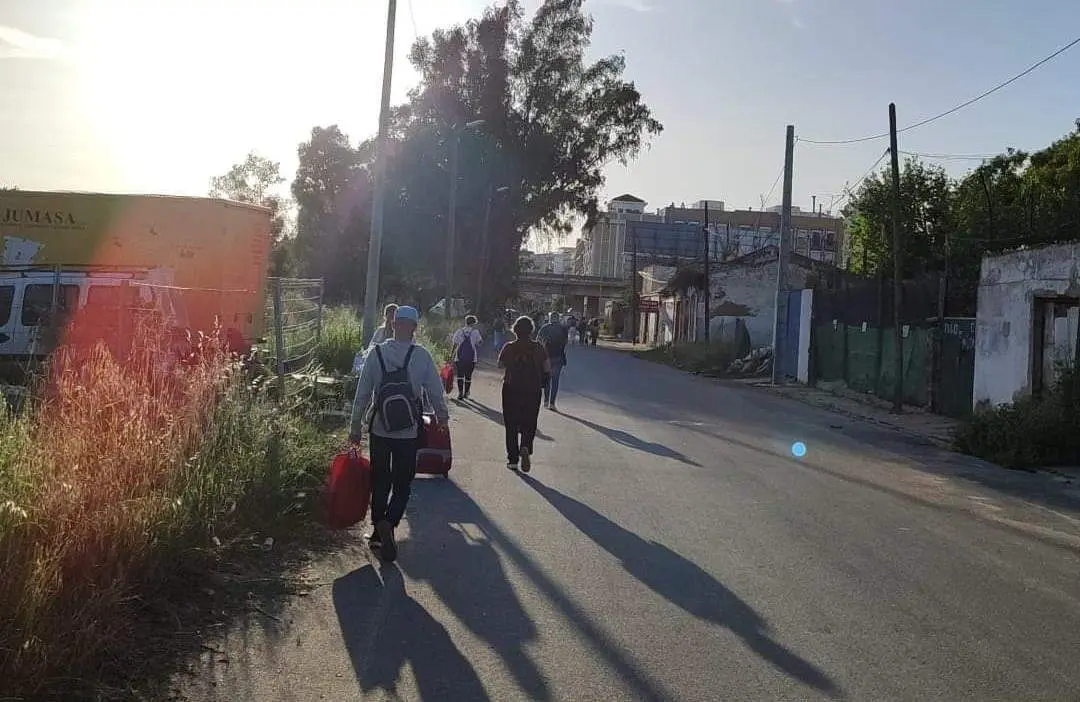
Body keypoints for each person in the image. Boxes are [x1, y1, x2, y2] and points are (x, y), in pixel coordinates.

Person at [350, 306, 448, 562]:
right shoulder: (422, 355)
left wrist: (354, 427)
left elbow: (362, 393)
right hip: (408, 431)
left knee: (380, 478)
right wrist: (442, 418)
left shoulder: (377, 353)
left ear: (393, 324)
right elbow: (436, 392)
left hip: (380, 428)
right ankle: (390, 524)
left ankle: (378, 526)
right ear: (414, 328)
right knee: (403, 483)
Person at [498, 316, 550, 472]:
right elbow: (547, 368)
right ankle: (526, 446)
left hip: (511, 389)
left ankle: (512, 459)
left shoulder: (509, 346)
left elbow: (500, 365)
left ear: (515, 329)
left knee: (511, 424)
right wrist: (543, 384)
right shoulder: (539, 347)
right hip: (532, 390)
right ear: (531, 330)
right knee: (530, 421)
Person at [537, 312, 569, 411]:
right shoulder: (563, 329)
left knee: (547, 379)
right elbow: (565, 343)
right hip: (558, 357)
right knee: (555, 380)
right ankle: (552, 403)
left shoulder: (544, 328)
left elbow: (538, 341)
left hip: (546, 357)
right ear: (558, 319)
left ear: (550, 318)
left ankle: (546, 401)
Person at [450, 315, 483, 401]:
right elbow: (479, 343)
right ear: (473, 323)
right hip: (471, 358)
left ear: (466, 322)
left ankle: (460, 392)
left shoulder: (459, 331)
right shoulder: (475, 332)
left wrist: (451, 354)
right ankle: (466, 392)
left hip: (459, 357)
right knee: (468, 376)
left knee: (460, 375)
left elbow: (455, 344)